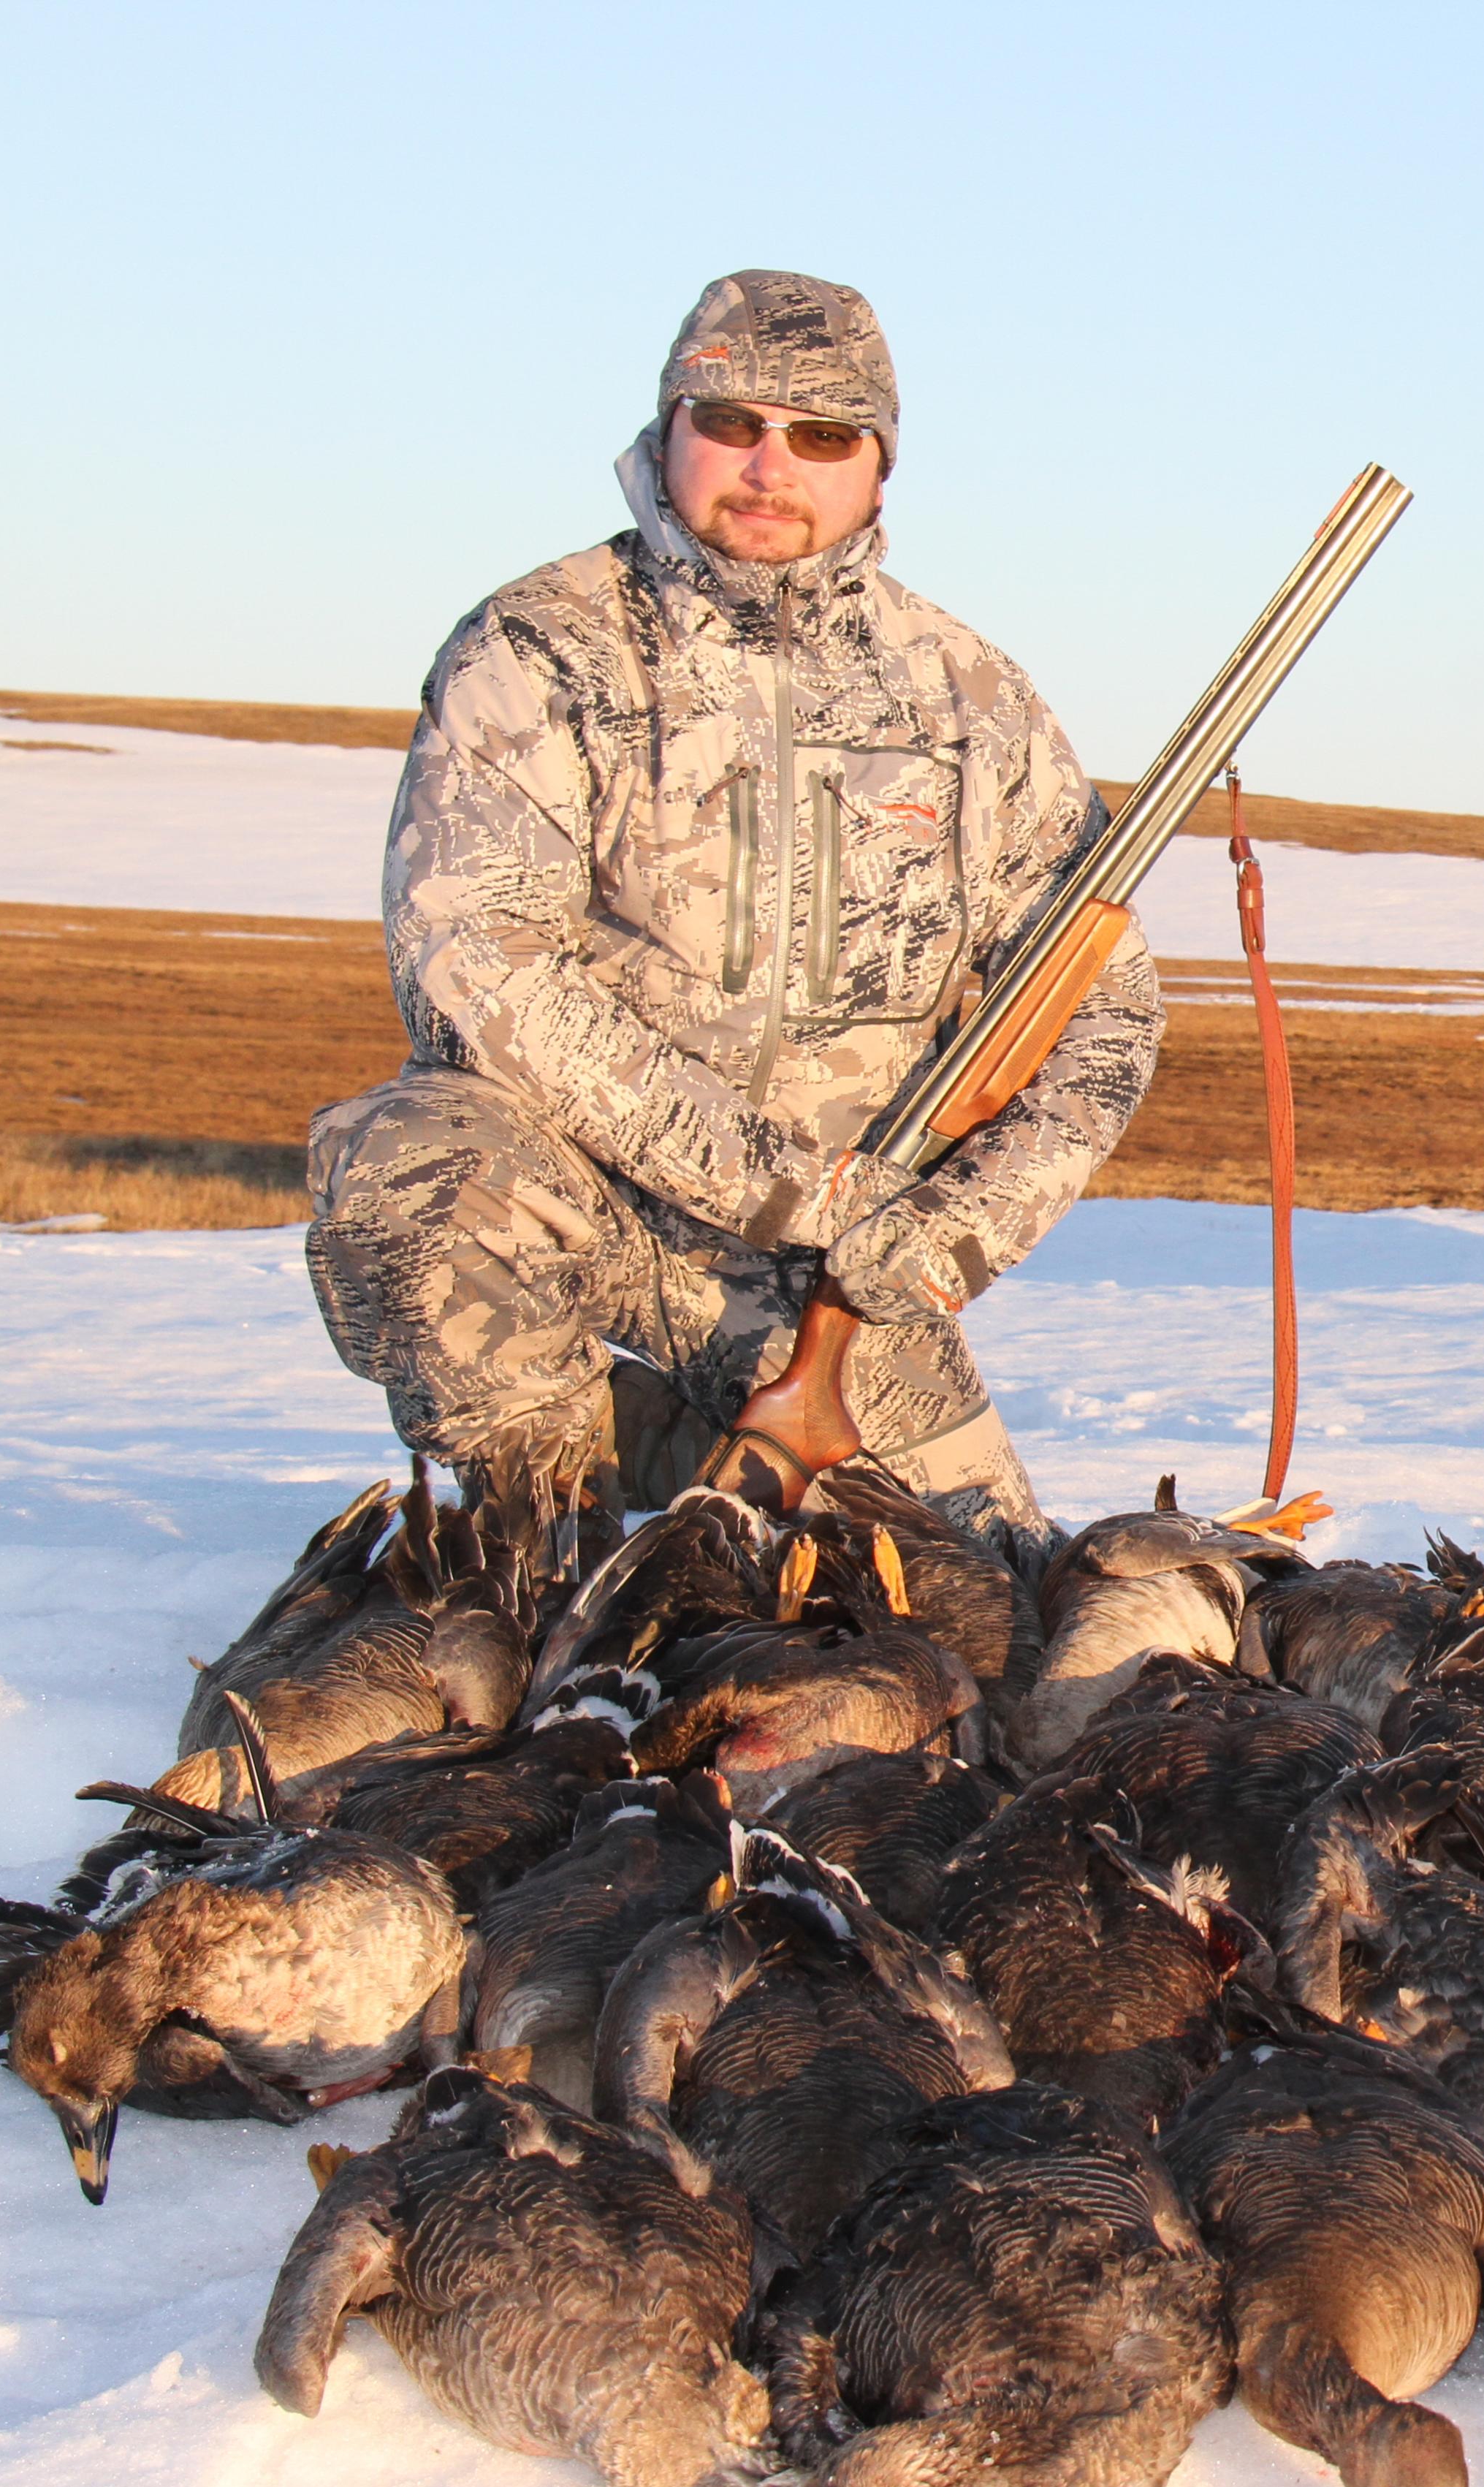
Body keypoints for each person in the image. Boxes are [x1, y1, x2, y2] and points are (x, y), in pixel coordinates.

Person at [306, 269, 1160, 1570]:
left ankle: (686, 1458)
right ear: (668, 434)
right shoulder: (541, 647)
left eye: (822, 435)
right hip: (589, 1191)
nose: (772, 466)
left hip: (836, 1270)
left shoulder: (970, 696)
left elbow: (1103, 1014)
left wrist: (960, 1231)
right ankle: (545, 1535)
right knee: (417, 1170)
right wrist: (787, 1185)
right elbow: (478, 967)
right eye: (732, 423)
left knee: (970, 1590)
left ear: (878, 468)